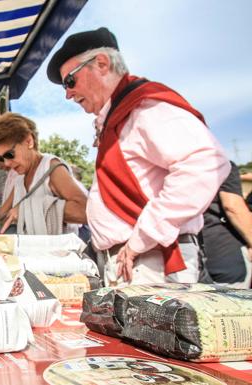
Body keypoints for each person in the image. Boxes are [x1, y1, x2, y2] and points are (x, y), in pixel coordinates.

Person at [46, 27, 230, 285]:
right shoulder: (119, 115)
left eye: (70, 81)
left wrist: (143, 236)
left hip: (150, 260)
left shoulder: (145, 107)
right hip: (136, 259)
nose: (68, 93)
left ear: (101, 63)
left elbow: (205, 162)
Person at [0, 113, 87, 235]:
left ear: (29, 141)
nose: (6, 163)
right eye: (1, 158)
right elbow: (5, 210)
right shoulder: (20, 178)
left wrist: (28, 211)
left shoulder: (51, 168)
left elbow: (84, 210)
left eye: (9, 155)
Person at [201, 162, 252, 288]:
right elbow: (233, 207)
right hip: (225, 254)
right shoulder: (221, 164)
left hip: (190, 255)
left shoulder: (170, 169)